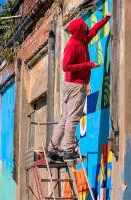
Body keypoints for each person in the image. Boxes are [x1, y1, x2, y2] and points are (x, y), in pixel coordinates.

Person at [47, 13, 111, 161]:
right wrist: (89, 65)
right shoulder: (73, 45)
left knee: (65, 119)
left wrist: (105, 20)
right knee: (72, 119)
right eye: (84, 26)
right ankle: (69, 151)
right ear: (80, 29)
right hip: (75, 86)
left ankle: (51, 149)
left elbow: (94, 31)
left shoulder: (81, 40)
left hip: (72, 85)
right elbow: (65, 66)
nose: (87, 27)